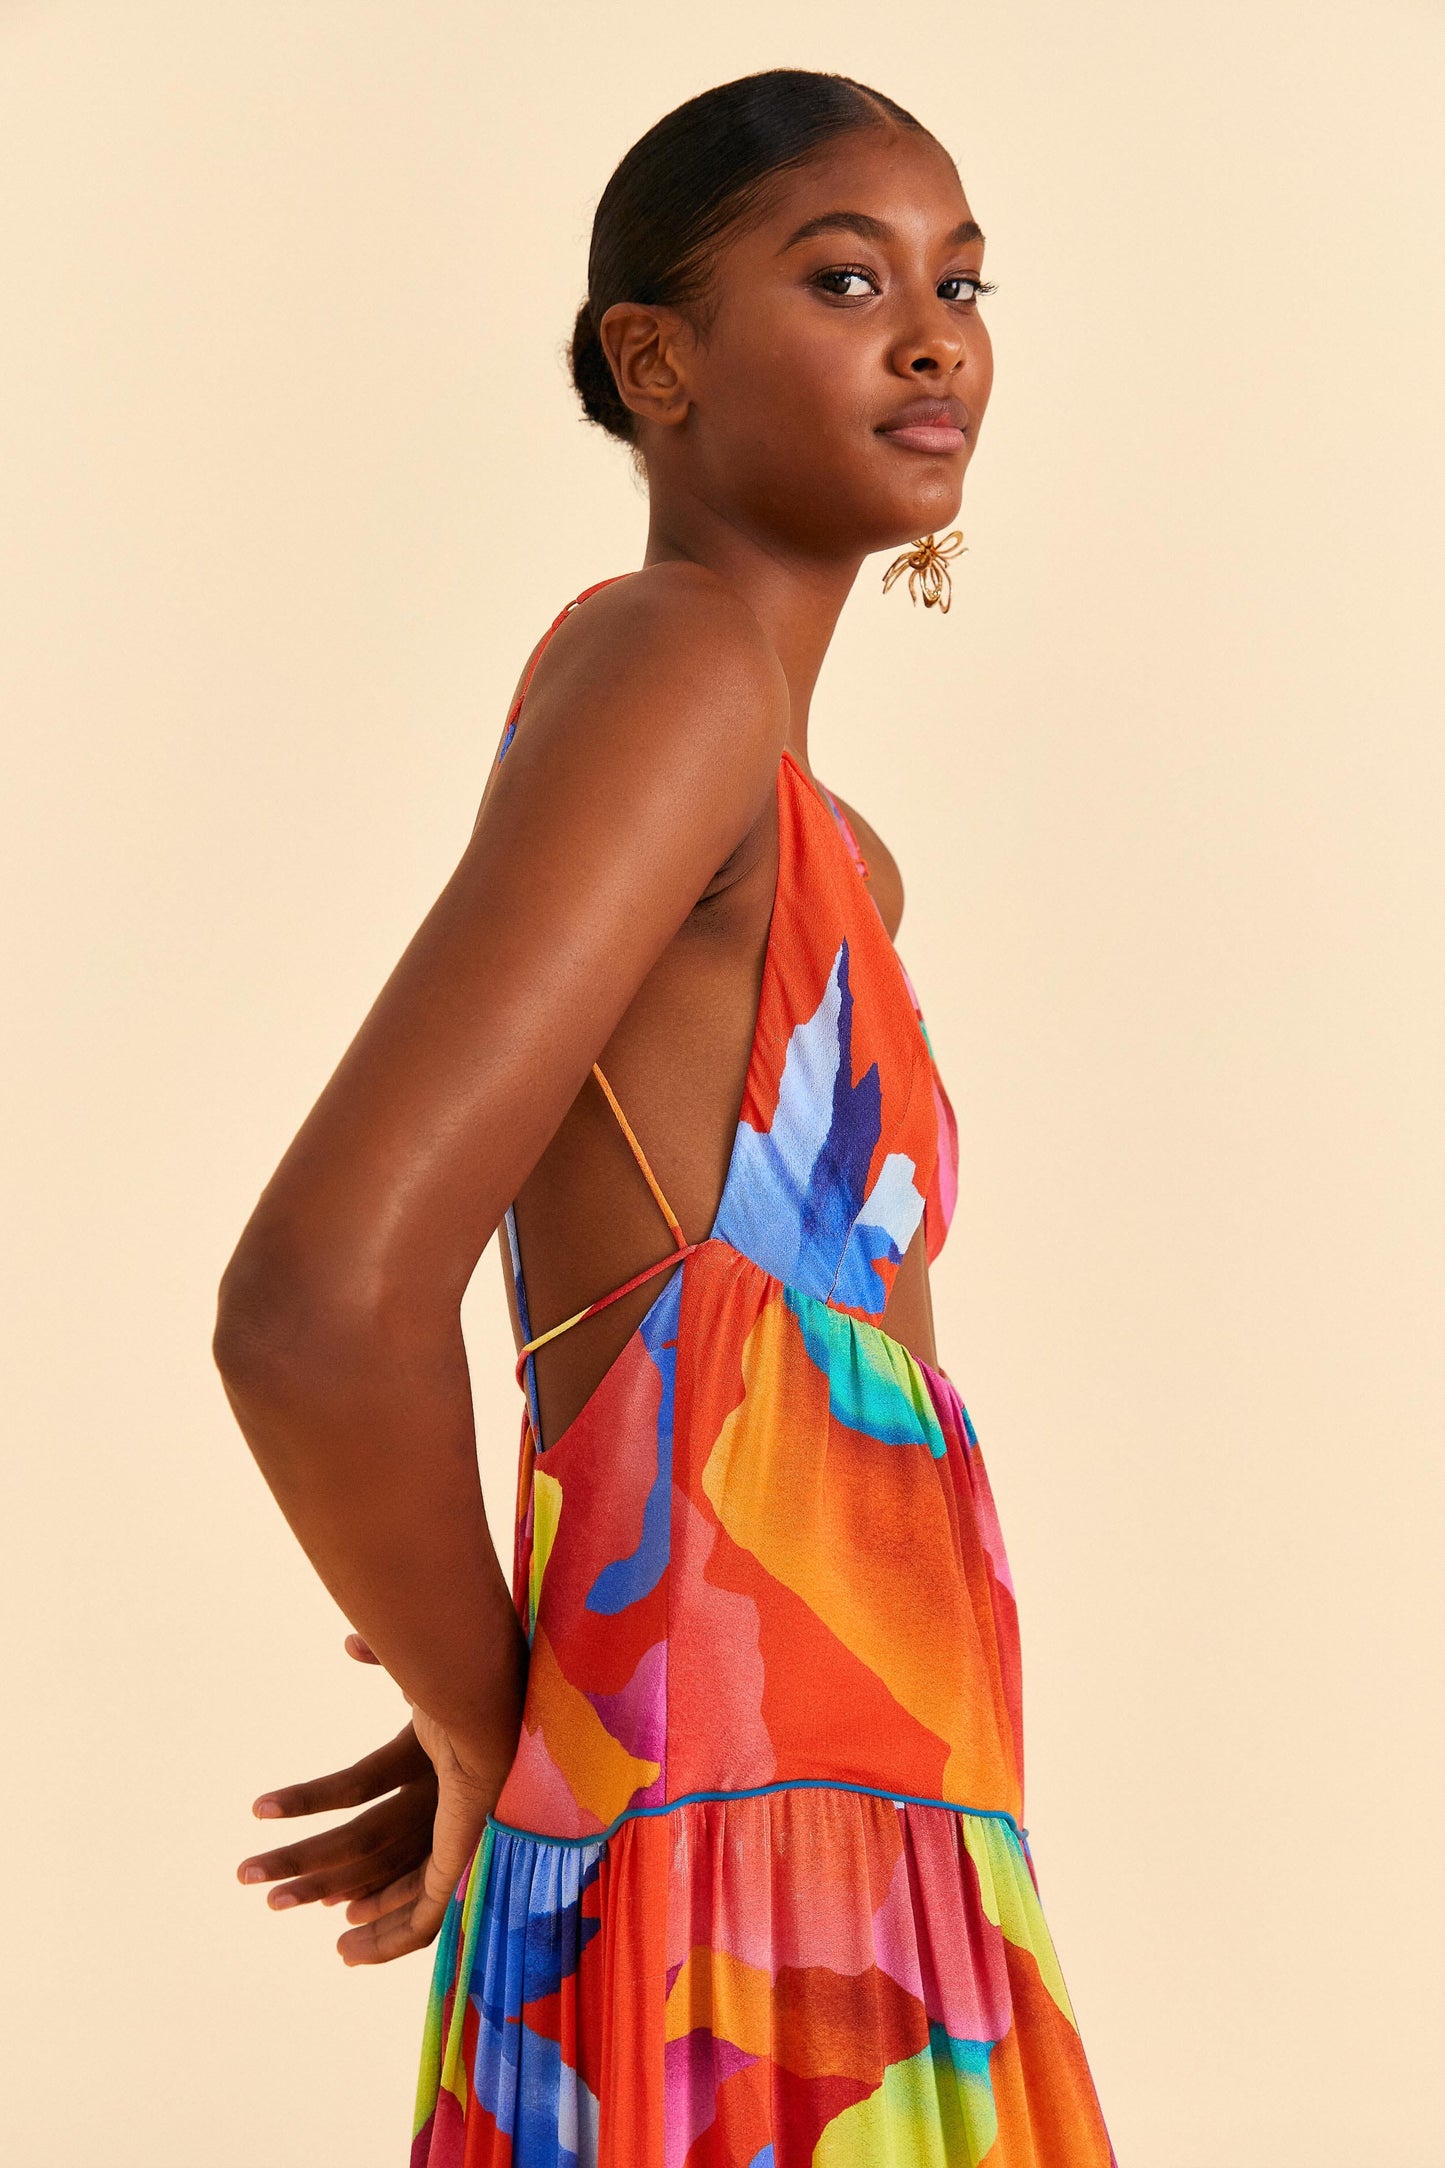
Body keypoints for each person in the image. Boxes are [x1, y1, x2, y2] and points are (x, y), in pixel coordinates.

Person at [215, 68, 1116, 2167]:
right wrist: (495, 1712)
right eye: (847, 278)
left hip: (878, 1854)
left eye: (964, 285)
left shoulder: (829, 853)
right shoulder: (675, 664)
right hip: (750, 1912)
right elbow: (316, 1302)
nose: (935, 337)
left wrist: (534, 1684)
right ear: (654, 363)